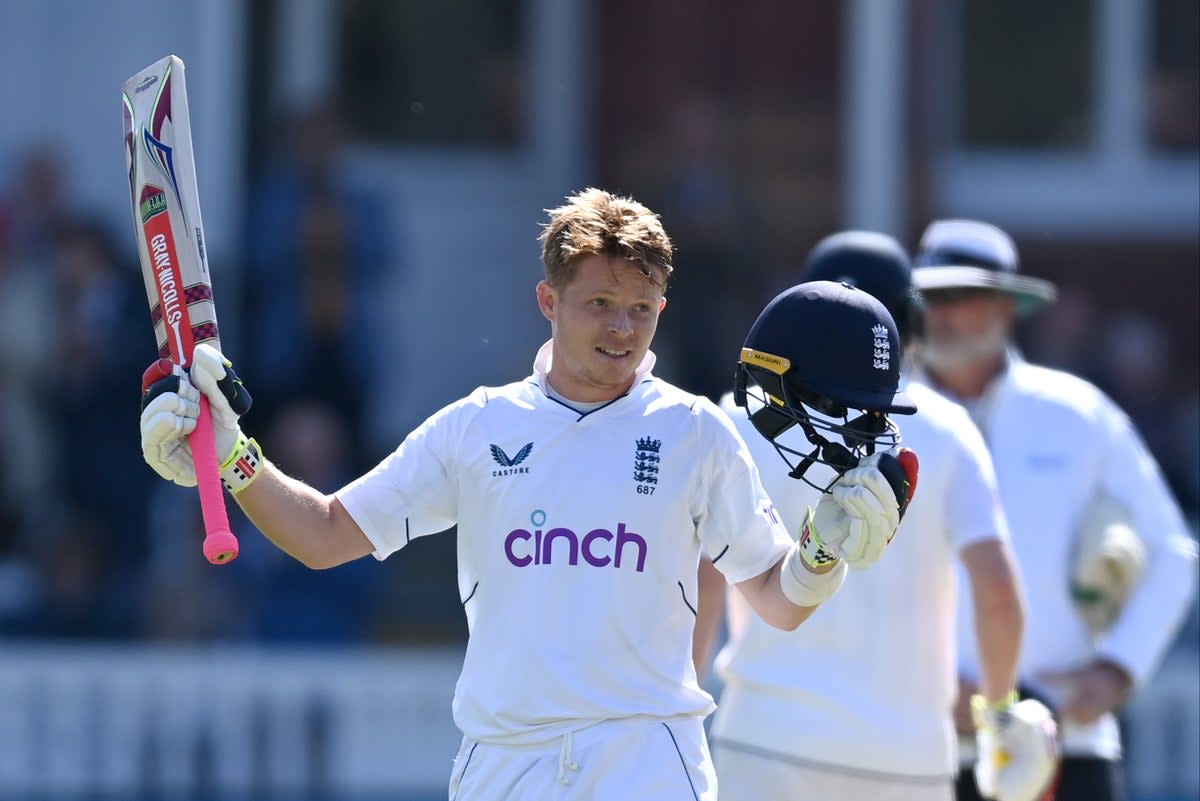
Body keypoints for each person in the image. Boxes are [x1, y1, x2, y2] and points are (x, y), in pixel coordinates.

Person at [137, 188, 915, 800]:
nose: (621, 329)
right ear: (549, 301)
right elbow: (324, 534)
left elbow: (780, 599)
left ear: (662, 310)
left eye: (640, 309)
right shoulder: (476, 428)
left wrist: (826, 548)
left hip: (649, 761)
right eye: (599, 304)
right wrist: (233, 454)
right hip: (504, 766)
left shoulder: (695, 433)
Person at [694, 231, 1055, 801]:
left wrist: (679, 716)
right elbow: (998, 592)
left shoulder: (733, 418)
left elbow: (701, 586)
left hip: (763, 738)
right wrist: (1002, 715)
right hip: (906, 755)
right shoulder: (946, 426)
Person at [909, 219, 1199, 801]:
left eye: (958, 296)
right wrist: (921, 683)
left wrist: (1117, 670)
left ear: (1004, 308)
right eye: (928, 297)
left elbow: (1172, 552)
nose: (939, 313)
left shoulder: (1079, 414)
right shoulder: (885, 416)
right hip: (922, 742)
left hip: (1068, 744)